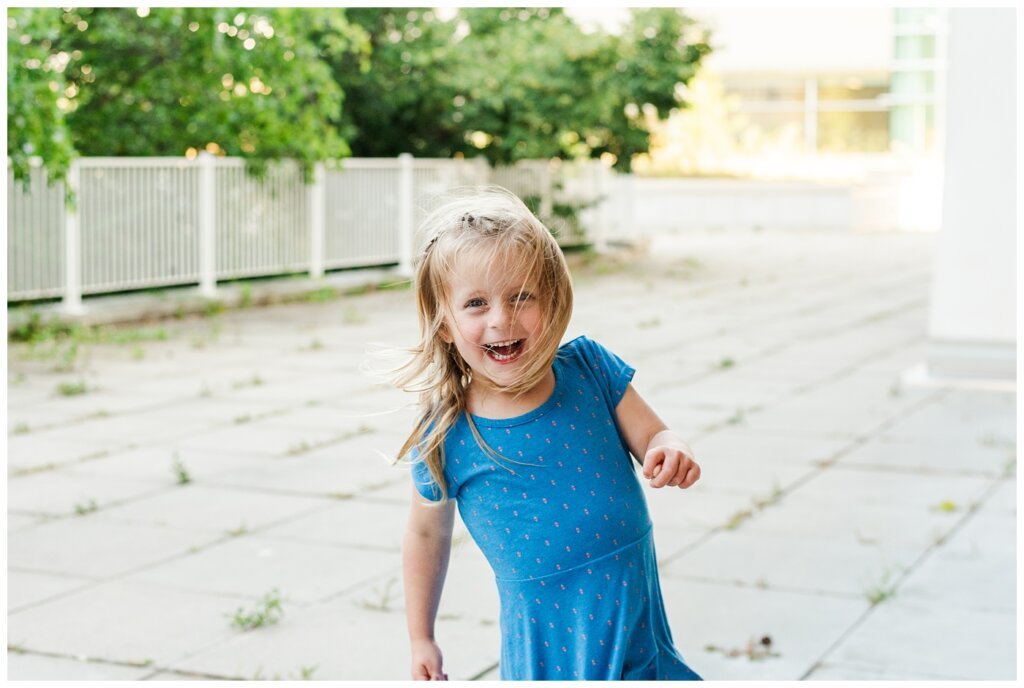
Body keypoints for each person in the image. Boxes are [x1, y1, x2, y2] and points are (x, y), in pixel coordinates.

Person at [394, 186, 702, 681]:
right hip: (547, 640)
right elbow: (425, 532)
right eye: (476, 303)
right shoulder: (447, 432)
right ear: (444, 324)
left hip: (633, 616)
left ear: (552, 298)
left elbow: (656, 436)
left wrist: (671, 449)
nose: (502, 318)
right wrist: (420, 636)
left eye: (521, 297)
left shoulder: (589, 368)